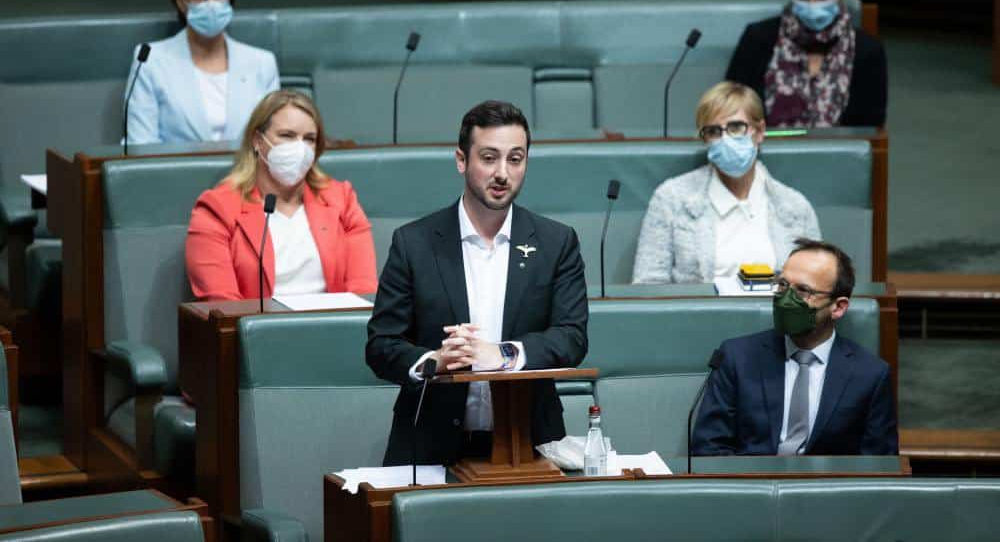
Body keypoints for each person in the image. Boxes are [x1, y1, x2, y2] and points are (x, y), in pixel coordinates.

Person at [366, 100, 589, 466]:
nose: (502, 173)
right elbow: (381, 345)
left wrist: (502, 355)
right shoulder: (414, 243)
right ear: (461, 160)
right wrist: (433, 361)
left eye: (515, 159)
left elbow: (571, 337)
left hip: (527, 442)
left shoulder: (556, 242)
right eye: (489, 158)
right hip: (428, 446)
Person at [692, 239, 898, 456]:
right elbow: (708, 448)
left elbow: (878, 464)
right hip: (750, 485)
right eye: (782, 285)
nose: (785, 300)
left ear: (838, 307)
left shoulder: (870, 375)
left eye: (802, 291)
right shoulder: (737, 357)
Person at [185, 89, 377, 301]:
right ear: (257, 140)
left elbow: (363, 292)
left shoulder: (342, 199)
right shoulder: (217, 208)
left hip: (333, 330)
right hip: (256, 331)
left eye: (309, 139)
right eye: (287, 135)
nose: (299, 148)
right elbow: (221, 303)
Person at [632, 81, 820, 284]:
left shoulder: (795, 207)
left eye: (736, 127)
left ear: (759, 131)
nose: (725, 139)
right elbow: (648, 285)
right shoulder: (671, 199)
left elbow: (816, 286)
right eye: (713, 131)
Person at [725, 0, 887, 128]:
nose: (811, 5)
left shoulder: (867, 52)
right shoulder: (758, 39)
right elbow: (729, 114)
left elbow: (871, 132)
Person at [125, 0, 279, 144]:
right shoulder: (151, 61)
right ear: (180, 1)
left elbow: (271, 143)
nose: (210, 2)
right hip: (175, 173)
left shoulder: (261, 62)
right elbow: (140, 147)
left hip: (245, 174)